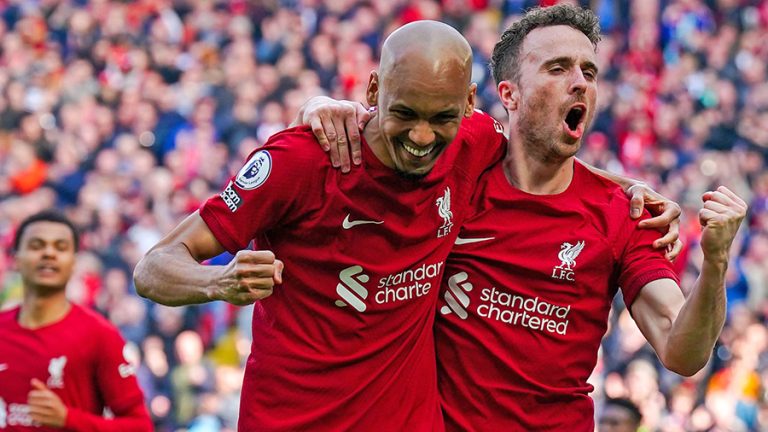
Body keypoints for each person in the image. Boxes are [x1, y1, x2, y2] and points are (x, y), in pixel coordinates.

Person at [134, 20, 508, 431]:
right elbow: (153, 268)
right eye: (404, 113)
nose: (421, 136)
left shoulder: (477, 142)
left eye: (442, 118)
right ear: (373, 90)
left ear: (469, 102)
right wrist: (219, 281)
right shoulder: (303, 161)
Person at [432, 5, 746, 431]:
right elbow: (396, 124)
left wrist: (716, 262)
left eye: (589, 71)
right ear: (509, 95)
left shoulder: (624, 213)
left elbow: (682, 352)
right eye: (557, 68)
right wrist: (339, 110)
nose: (580, 82)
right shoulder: (460, 173)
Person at [0, 210, 152, 431]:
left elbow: (140, 426)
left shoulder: (100, 335)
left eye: (60, 247)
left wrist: (68, 420)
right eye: (36, 245)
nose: (49, 253)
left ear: (74, 262)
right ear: (15, 259)